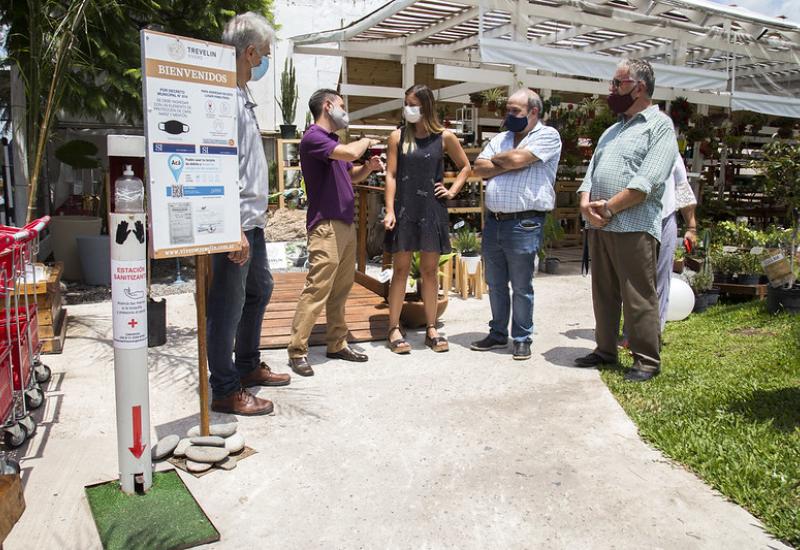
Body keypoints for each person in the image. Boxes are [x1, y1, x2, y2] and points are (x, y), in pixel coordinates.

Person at [575, 58, 678, 382]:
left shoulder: (660, 126)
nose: (612, 89)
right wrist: (585, 205)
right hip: (600, 225)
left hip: (633, 226)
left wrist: (608, 209)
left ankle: (646, 360)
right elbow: (591, 173)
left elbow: (648, 181)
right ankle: (605, 349)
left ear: (639, 87)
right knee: (603, 293)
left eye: (618, 83)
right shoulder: (611, 130)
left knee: (638, 295)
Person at [208, 13, 290, 416]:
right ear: (251, 52)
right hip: (236, 222)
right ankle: (225, 388)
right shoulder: (223, 96)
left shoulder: (241, 93)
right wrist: (233, 227)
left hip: (252, 220)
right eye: (265, 54)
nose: (265, 61)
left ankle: (246, 364)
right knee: (227, 304)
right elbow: (219, 166)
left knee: (259, 290)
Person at [287, 89, 383, 376]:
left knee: (341, 288)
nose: (345, 112)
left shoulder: (332, 143)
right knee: (317, 287)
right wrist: (367, 141)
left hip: (344, 224)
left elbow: (350, 175)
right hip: (326, 226)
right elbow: (352, 152)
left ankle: (337, 343)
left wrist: (368, 168)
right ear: (328, 106)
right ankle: (297, 350)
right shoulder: (314, 137)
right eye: (342, 106)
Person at [471, 89, 562, 360]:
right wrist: (510, 162)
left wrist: (504, 161)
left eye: (515, 111)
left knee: (522, 285)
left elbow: (515, 159)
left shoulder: (547, 135)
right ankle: (498, 333)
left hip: (525, 222)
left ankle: (522, 338)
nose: (508, 115)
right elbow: (479, 167)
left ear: (533, 111)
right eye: (507, 110)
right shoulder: (502, 138)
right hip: (495, 221)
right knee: (495, 283)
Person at [383, 84, 471, 354]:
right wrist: (389, 209)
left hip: (431, 209)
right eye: (406, 103)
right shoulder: (397, 137)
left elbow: (465, 166)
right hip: (404, 209)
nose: (408, 109)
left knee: (430, 272)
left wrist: (452, 191)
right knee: (400, 270)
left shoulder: (445, 137)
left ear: (426, 106)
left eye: (413, 104)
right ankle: (393, 328)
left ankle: (432, 328)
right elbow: (391, 175)